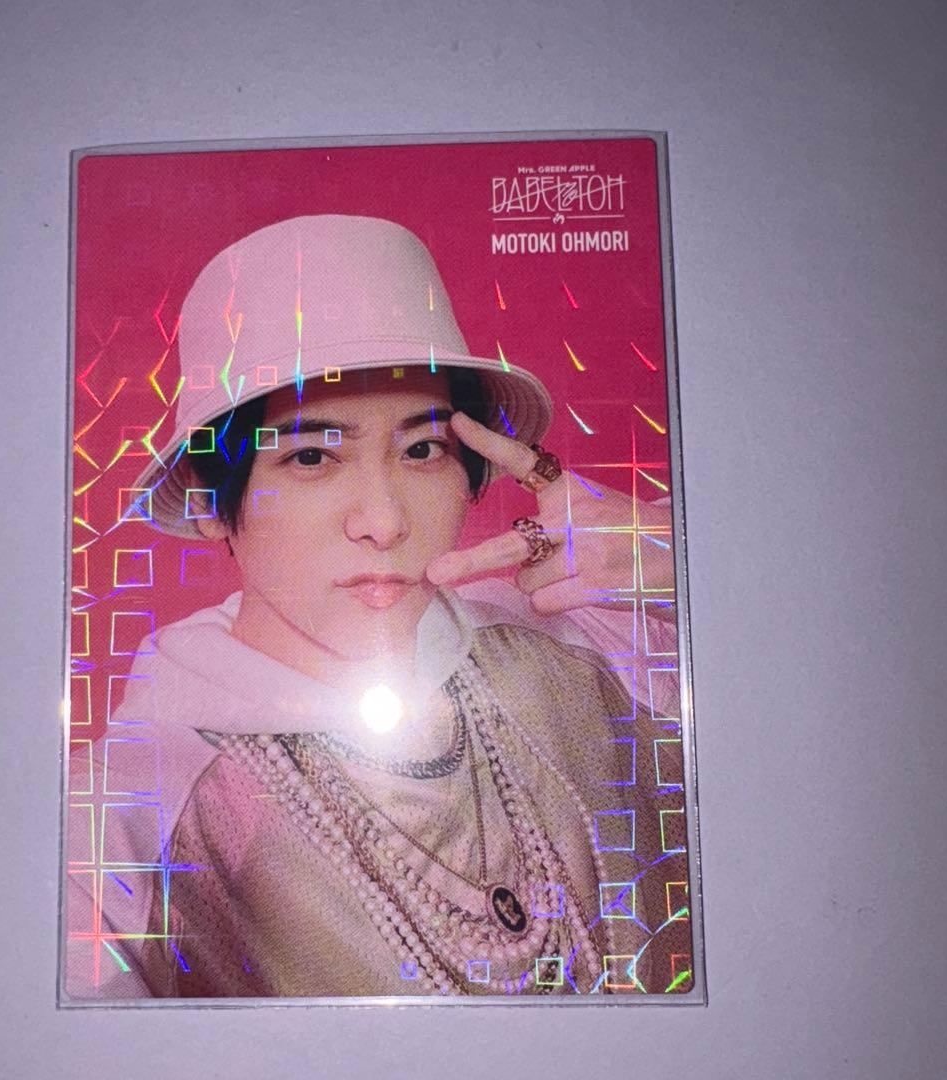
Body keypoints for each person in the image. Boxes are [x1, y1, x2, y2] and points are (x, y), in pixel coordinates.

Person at [65, 215, 691, 999]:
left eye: (423, 449)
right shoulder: (122, 818)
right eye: (312, 457)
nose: (385, 521)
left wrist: (676, 558)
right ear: (208, 498)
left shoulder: (585, 636)